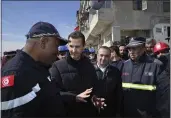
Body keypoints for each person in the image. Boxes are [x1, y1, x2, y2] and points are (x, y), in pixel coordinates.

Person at [1, 21, 68, 117]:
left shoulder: (38, 67)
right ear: (43, 42)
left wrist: (72, 98)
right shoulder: (16, 74)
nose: (57, 52)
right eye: (56, 45)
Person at [50, 31, 105, 117]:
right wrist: (74, 97)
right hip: (67, 113)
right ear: (67, 46)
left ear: (83, 46)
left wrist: (94, 97)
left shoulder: (89, 65)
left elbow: (95, 85)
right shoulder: (56, 66)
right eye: (71, 46)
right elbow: (53, 93)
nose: (74, 50)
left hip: (88, 113)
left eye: (77, 47)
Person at [121, 37, 170, 118]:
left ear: (143, 48)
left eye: (134, 48)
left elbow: (165, 95)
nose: (131, 51)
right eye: (129, 49)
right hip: (128, 113)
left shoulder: (156, 65)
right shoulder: (124, 65)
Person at [94, 46, 123, 117]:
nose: (103, 58)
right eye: (101, 55)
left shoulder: (116, 72)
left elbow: (118, 93)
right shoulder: (89, 70)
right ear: (97, 55)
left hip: (110, 111)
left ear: (110, 57)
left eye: (106, 56)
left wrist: (118, 111)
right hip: (92, 111)